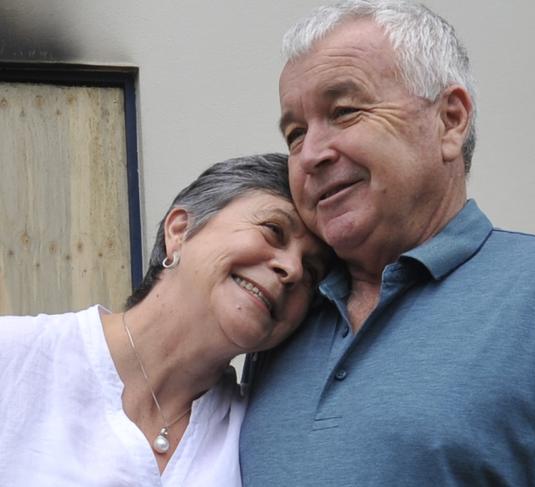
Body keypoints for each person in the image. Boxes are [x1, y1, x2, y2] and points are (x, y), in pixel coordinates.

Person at [239, 2, 535, 486]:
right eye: (295, 133)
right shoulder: (283, 316)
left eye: (344, 112)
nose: (310, 154)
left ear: (451, 121)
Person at [0, 153, 330, 486]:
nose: (293, 269)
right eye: (273, 230)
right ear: (180, 230)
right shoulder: (15, 358)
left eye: (312, 272)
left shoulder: (258, 432)